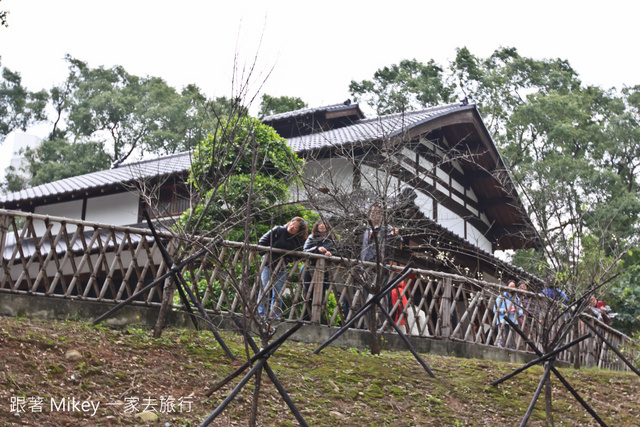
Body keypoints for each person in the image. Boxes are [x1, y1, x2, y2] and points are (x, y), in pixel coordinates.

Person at [257, 217, 308, 319]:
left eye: (296, 227)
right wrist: (268, 252)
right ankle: (260, 314)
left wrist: (287, 257)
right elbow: (262, 242)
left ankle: (274, 316)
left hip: (282, 267)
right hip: (268, 263)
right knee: (264, 289)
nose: (292, 227)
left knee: (278, 292)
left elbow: (299, 253)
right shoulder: (278, 230)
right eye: (292, 223)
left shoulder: (298, 239)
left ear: (299, 230)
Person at [302, 220, 346, 321]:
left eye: (324, 224)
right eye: (320, 224)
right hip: (311, 268)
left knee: (321, 295)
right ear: (316, 226)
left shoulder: (332, 240)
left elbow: (339, 253)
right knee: (309, 294)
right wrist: (317, 249)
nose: (322, 226)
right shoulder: (311, 237)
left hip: (326, 270)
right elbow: (305, 251)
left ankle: (317, 319)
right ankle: (305, 319)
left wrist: (331, 254)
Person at [494, 280, 522, 348]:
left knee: (512, 339)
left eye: (513, 287)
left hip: (513, 320)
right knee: (501, 337)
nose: (511, 288)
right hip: (502, 319)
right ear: (507, 286)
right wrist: (504, 310)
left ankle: (511, 352)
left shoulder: (517, 299)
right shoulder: (501, 297)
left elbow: (521, 311)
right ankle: (499, 349)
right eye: (510, 286)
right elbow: (495, 309)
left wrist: (517, 311)